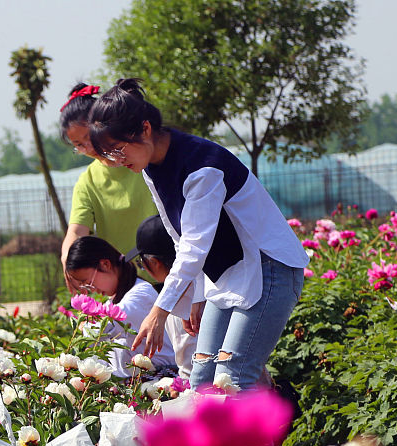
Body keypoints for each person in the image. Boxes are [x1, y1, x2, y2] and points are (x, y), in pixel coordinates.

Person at [87, 79, 308, 392]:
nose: (118, 161)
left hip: (269, 268)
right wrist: (199, 296)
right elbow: (180, 237)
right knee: (201, 378)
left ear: (145, 129)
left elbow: (194, 246)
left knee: (234, 377)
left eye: (119, 149)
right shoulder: (151, 167)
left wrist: (159, 311)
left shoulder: (202, 167)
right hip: (228, 276)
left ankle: (259, 438)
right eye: (110, 154)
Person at [58, 83, 158, 292]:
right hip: (128, 285)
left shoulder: (141, 158)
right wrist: (68, 262)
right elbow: (76, 230)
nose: (88, 148)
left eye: (88, 138)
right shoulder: (88, 181)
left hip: (170, 273)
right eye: (78, 145)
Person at [63, 235, 176, 378]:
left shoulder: (140, 295)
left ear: (105, 264)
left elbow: (101, 329)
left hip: (162, 379)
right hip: (140, 381)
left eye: (88, 282)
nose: (92, 289)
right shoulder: (114, 300)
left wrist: (83, 325)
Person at [124, 215, 195, 378]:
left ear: (155, 262)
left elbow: (189, 365)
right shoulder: (202, 283)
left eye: (141, 263)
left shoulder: (173, 303)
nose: (143, 269)